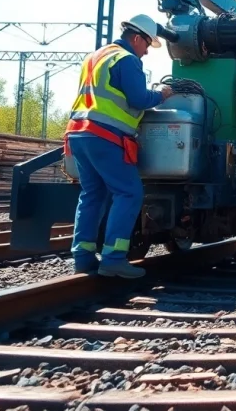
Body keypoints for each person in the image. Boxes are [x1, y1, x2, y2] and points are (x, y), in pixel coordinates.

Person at [65, 14, 173, 278]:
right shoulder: (127, 60)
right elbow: (138, 99)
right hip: (105, 136)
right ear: (136, 38)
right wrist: (162, 94)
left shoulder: (95, 56)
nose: (147, 51)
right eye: (147, 44)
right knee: (129, 193)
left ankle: (82, 257)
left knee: (92, 195)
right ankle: (113, 258)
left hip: (78, 133)